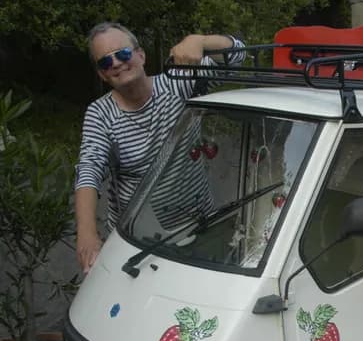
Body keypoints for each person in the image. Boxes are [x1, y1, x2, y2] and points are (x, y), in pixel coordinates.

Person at [74, 22, 245, 273]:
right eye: (105, 62)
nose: (117, 64)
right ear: (102, 74)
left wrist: (200, 41)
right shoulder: (100, 114)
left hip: (200, 223)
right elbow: (89, 170)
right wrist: (87, 234)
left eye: (122, 54)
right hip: (139, 239)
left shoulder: (177, 84)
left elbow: (237, 57)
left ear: (141, 55)